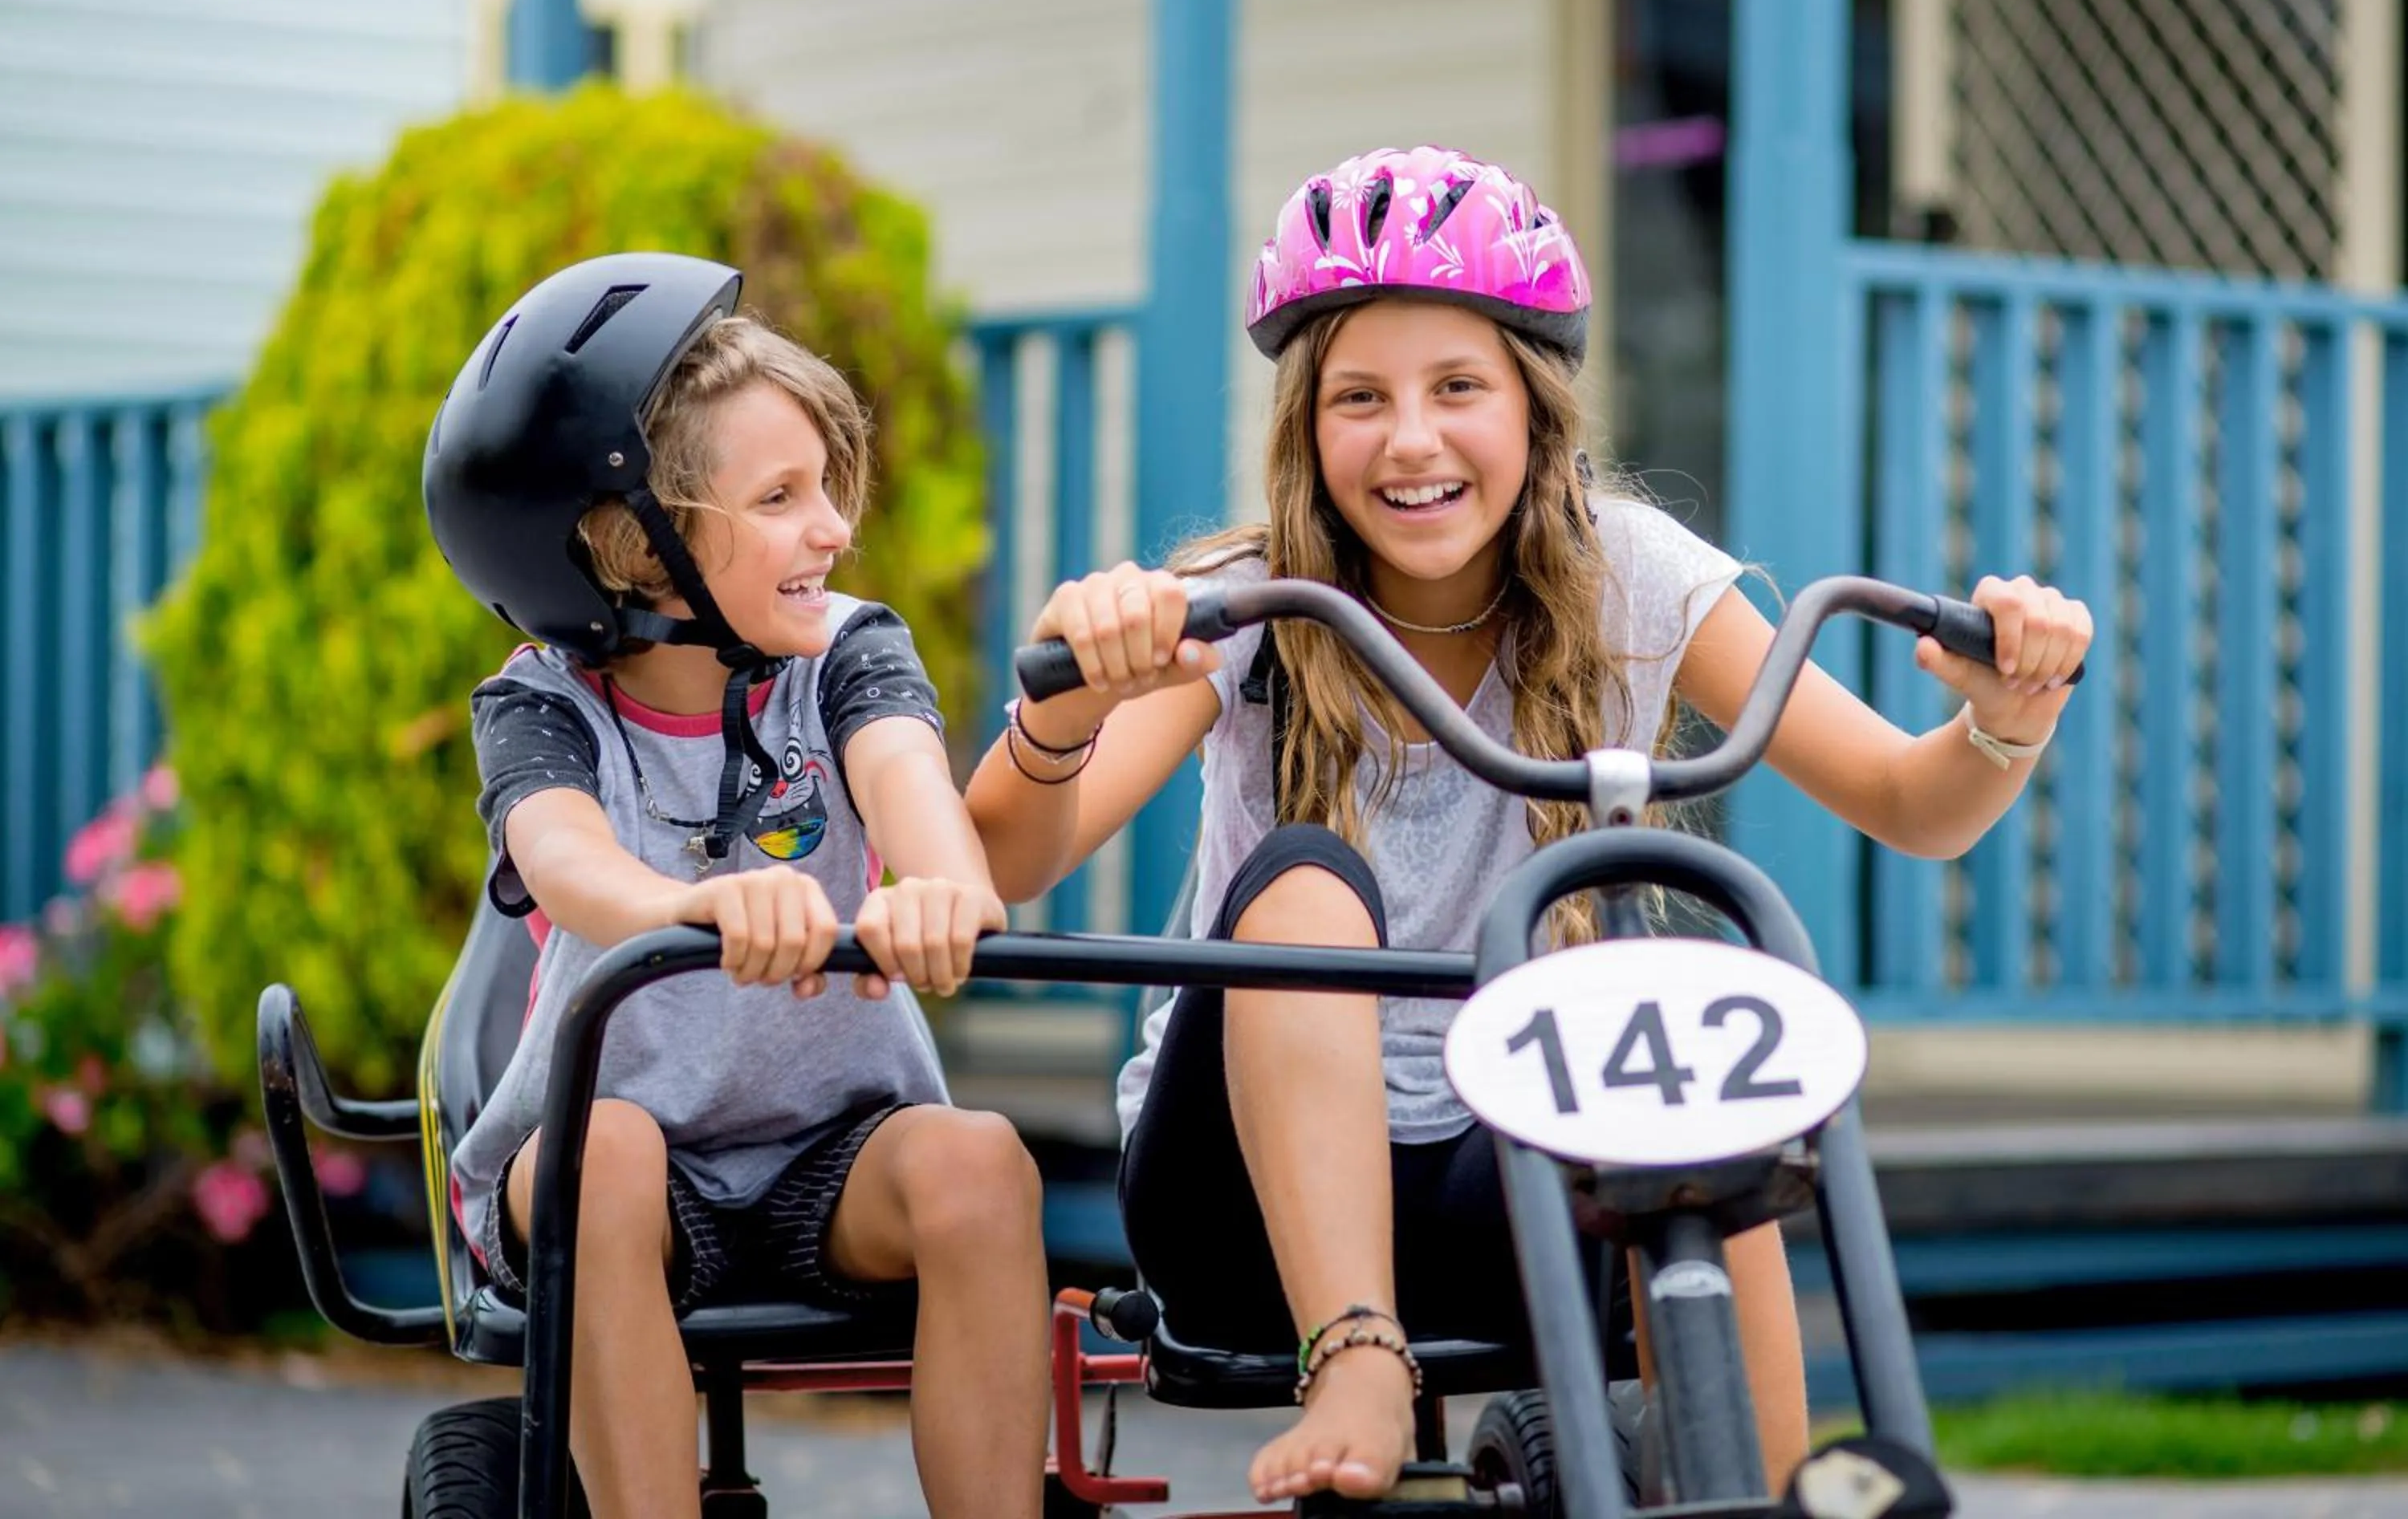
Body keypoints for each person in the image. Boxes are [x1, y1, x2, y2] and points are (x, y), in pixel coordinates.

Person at [966, 148, 2093, 1505]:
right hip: (1240, 1195)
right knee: (1306, 879)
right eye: (1360, 399)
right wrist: (1067, 710)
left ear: (1535, 410)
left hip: (1509, 1157)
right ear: (1307, 430)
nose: (1412, 441)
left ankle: (1775, 1490)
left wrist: (2008, 714)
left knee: (1691, 1079)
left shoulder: (1631, 578)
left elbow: (1913, 805)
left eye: (1459, 390)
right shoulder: (1248, 606)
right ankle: (1359, 1352)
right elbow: (1014, 856)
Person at [425, 253, 1047, 1519]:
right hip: (619, 1165)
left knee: (981, 1164)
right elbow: (566, 860)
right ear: (628, 546)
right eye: (780, 498)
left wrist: (937, 884)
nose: (834, 529)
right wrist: (682, 909)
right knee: (600, 1156)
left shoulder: (845, 654)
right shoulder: (542, 704)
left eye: (829, 489)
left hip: (836, 1156)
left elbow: (912, 787)